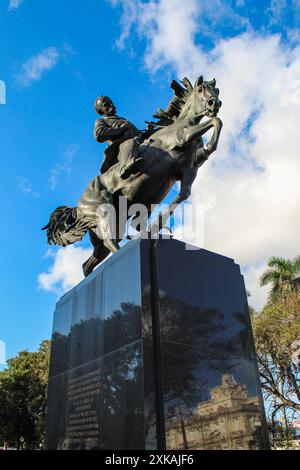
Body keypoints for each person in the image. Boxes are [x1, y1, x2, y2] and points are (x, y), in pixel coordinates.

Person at [93, 95, 145, 177]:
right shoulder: (102, 121)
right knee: (129, 143)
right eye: (106, 104)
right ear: (101, 110)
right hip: (121, 148)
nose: (111, 105)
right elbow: (99, 134)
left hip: (138, 142)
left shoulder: (122, 119)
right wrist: (119, 130)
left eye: (111, 103)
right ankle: (125, 168)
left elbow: (138, 133)